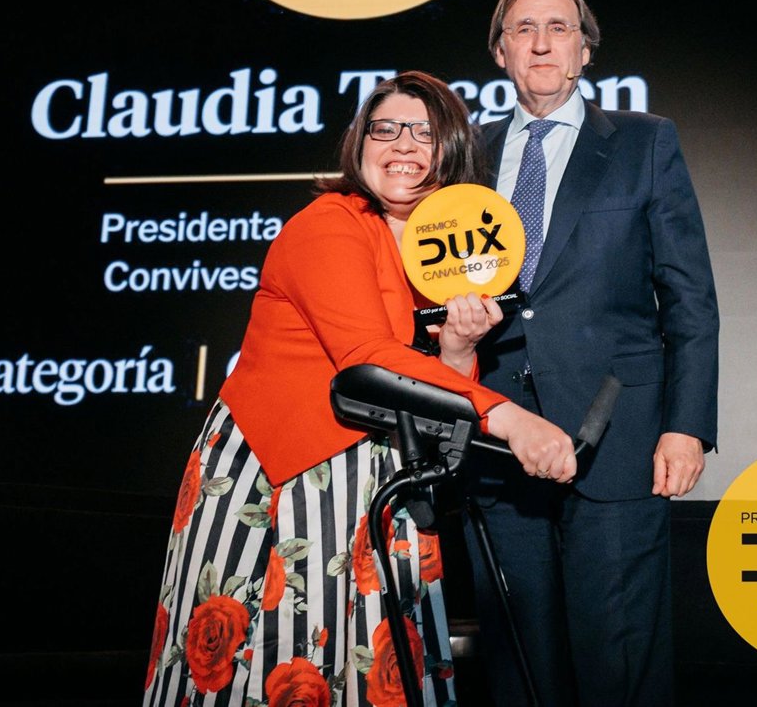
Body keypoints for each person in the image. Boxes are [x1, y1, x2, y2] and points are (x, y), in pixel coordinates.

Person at [142, 70, 576, 707]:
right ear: (360, 143)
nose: (403, 145)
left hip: (378, 477)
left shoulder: (433, 253)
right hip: (284, 475)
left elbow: (429, 396)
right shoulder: (329, 224)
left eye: (424, 133)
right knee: (278, 668)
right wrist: (511, 419)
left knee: (371, 667)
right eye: (385, 129)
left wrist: (458, 349)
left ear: (450, 152)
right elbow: (366, 358)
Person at [465, 0, 720, 706]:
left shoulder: (645, 142)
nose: (542, 43)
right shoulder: (467, 156)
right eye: (524, 30)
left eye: (559, 28)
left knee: (621, 661)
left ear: (585, 50)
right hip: (498, 438)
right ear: (501, 53)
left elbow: (689, 299)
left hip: (619, 436)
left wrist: (686, 426)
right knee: (520, 663)